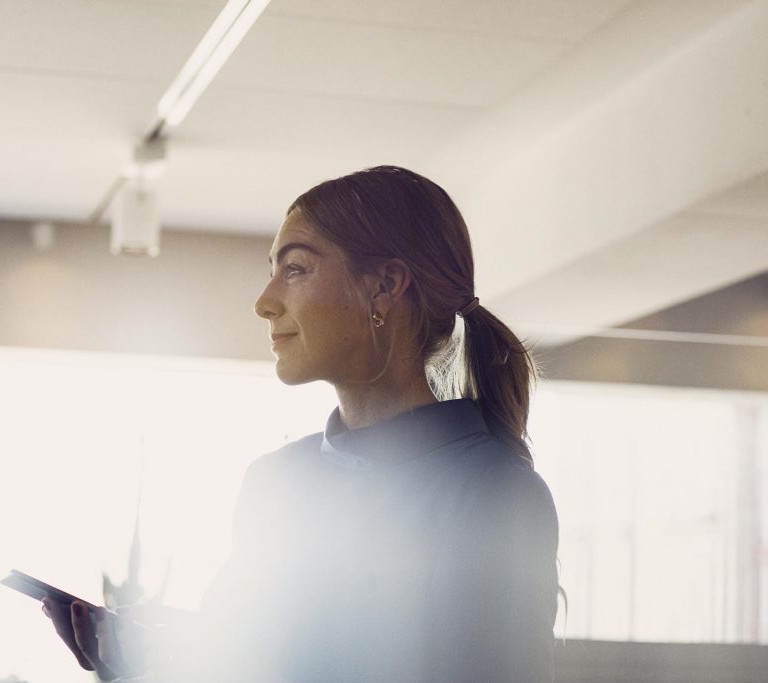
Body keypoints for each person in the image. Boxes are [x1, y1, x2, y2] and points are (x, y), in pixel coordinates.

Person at [43, 165, 559, 682]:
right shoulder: (275, 481)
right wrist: (145, 662)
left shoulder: (496, 494)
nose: (265, 302)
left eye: (294, 269)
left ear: (384, 286)